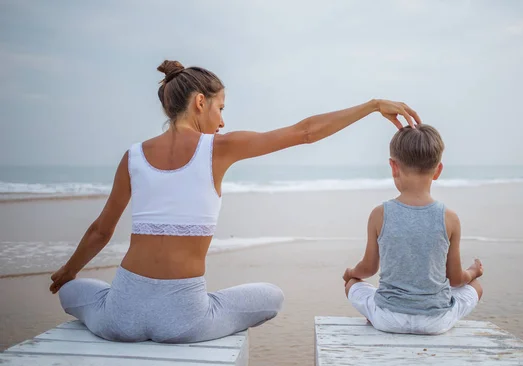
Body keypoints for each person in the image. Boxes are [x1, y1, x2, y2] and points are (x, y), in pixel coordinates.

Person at [49, 59, 421, 343]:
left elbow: (101, 230)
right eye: (220, 108)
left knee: (73, 291)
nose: (222, 121)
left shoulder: (133, 156)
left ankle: (93, 293)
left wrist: (68, 271)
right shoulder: (218, 149)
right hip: (185, 320)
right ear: (199, 103)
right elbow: (304, 133)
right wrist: (372, 105)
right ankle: (192, 307)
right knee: (271, 297)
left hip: (121, 317)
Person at [343, 124, 484, 335]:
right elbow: (455, 279)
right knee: (476, 288)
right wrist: (473, 272)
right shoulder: (450, 218)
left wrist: (351, 274)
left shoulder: (380, 214)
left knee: (353, 285)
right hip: (435, 321)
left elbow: (368, 269)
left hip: (387, 318)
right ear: (438, 170)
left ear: (393, 167)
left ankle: (373, 316)